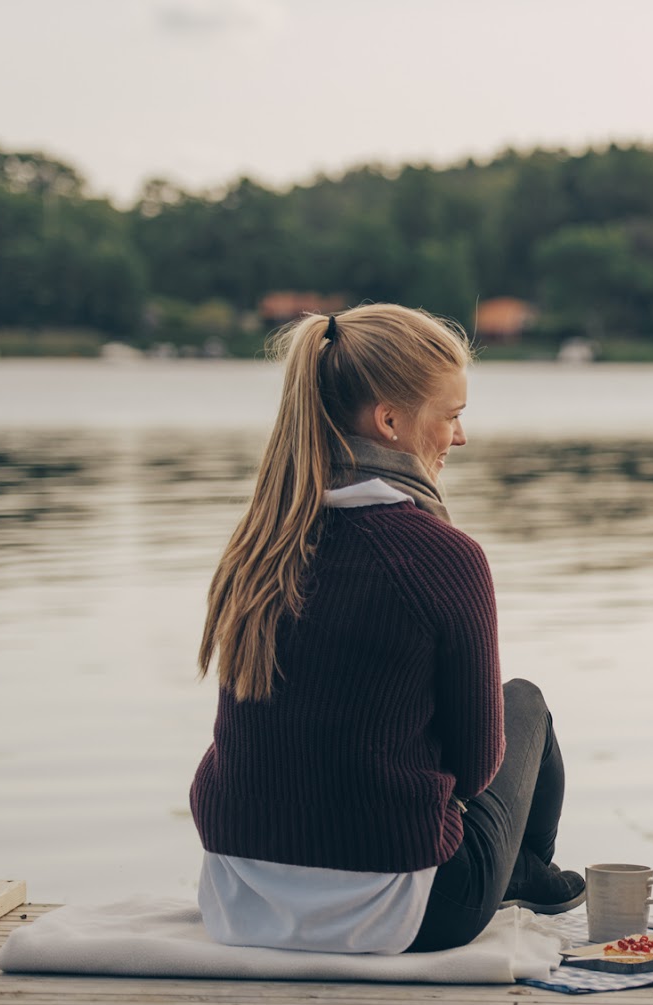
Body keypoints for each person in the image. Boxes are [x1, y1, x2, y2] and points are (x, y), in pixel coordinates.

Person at [190, 303, 582, 955]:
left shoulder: (259, 541)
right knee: (525, 703)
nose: (460, 439)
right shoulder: (440, 554)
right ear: (391, 421)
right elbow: (478, 766)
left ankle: (520, 873)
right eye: (452, 415)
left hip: (239, 899)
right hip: (404, 914)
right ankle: (525, 874)